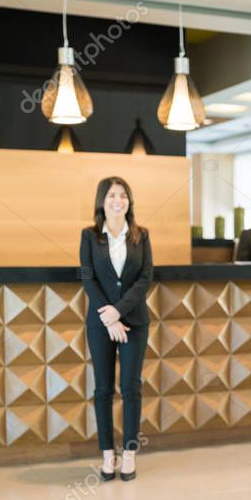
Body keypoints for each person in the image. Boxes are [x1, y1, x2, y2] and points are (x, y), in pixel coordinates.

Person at [79, 176, 153, 481]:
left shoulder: (141, 235)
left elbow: (145, 278)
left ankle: (130, 455)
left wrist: (119, 312)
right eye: (111, 195)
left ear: (129, 201)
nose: (117, 200)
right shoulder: (89, 236)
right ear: (102, 200)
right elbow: (88, 277)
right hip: (100, 325)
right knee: (103, 389)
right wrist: (108, 318)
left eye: (123, 195)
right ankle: (108, 455)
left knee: (131, 388)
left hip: (134, 322)